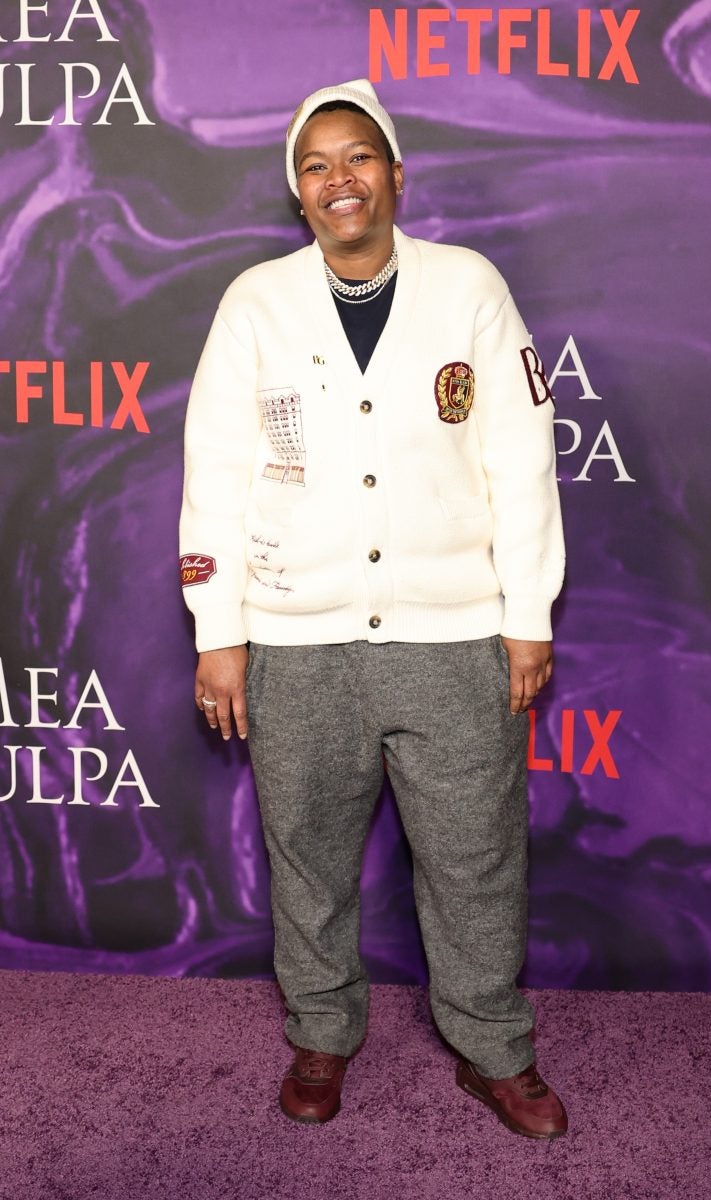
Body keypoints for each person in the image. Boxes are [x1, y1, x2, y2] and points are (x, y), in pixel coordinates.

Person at [179, 79, 567, 1140]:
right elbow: (214, 471)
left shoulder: (468, 286)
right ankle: (320, 1031)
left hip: (455, 635)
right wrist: (219, 632)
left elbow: (520, 457)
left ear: (395, 173)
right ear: (297, 193)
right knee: (306, 857)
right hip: (296, 638)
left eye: (357, 157)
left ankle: (493, 1047)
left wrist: (527, 612)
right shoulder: (256, 302)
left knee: (476, 859)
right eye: (315, 166)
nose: (338, 179)